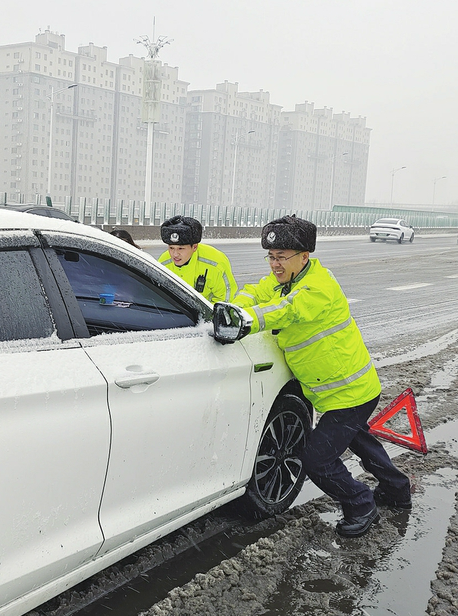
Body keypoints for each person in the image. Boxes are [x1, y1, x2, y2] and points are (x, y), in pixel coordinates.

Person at [233, 214, 411, 538]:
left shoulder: (318, 287)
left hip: (350, 395)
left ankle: (361, 504)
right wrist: (235, 307)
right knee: (361, 442)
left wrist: (246, 319)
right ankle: (398, 489)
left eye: (282, 257)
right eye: (271, 257)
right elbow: (253, 293)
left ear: (304, 256)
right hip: (341, 393)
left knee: (316, 459)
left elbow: (288, 310)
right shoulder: (282, 280)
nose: (274, 264)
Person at [158, 216, 237, 303]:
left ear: (194, 247)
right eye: (171, 248)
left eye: (181, 249)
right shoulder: (163, 263)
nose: (175, 254)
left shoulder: (215, 263)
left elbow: (226, 299)